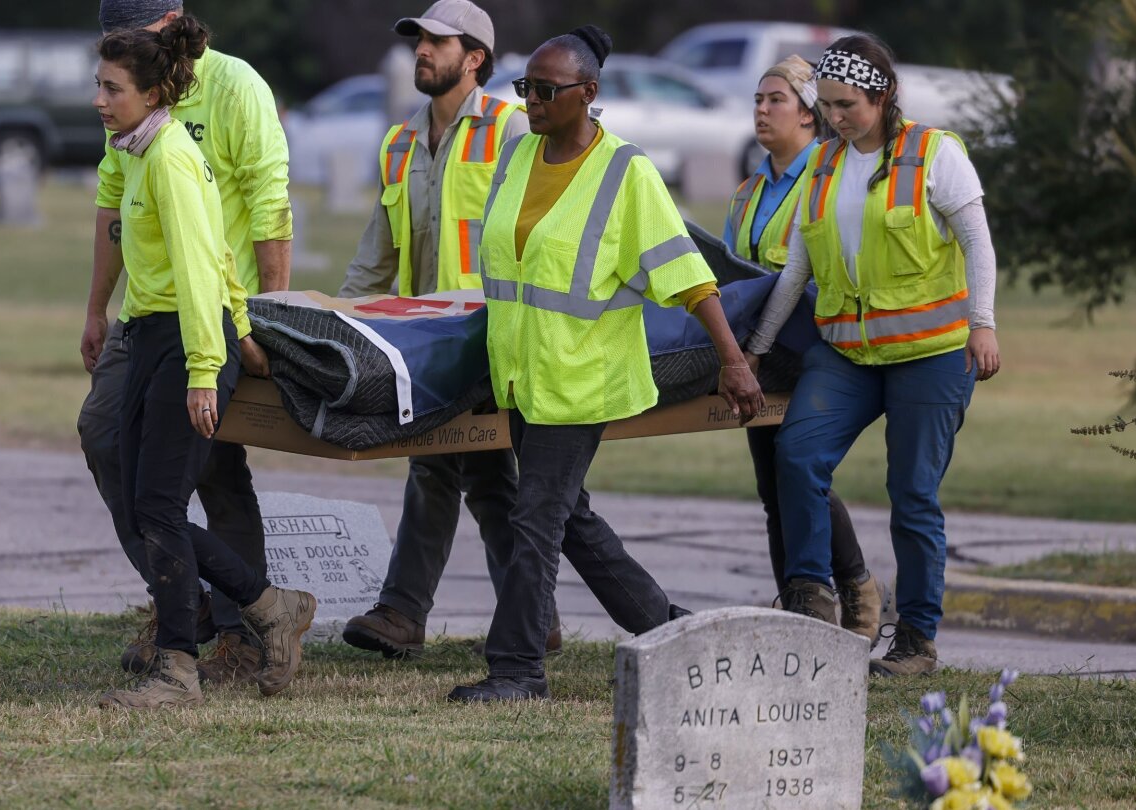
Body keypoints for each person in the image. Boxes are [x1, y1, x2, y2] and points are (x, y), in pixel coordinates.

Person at [447, 25, 765, 703]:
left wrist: (733, 362)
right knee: (570, 518)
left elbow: (686, 274)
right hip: (522, 375)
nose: (529, 101)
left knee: (536, 519)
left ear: (588, 94)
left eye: (545, 90)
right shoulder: (515, 158)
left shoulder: (627, 172)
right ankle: (664, 628)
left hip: (583, 380)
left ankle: (517, 669)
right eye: (524, 87)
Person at [744, 34, 1001, 676]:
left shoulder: (934, 154)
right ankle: (810, 602)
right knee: (796, 454)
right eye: (826, 105)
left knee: (912, 494)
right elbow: (797, 270)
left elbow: (978, 243)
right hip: (847, 354)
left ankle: (915, 641)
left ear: (882, 96)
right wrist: (754, 349)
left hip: (931, 355)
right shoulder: (824, 166)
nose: (835, 117)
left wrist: (983, 325)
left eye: (847, 104)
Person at [90, 18, 316, 709]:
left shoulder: (169, 159)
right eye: (97, 85)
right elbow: (214, 255)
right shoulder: (135, 150)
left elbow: (200, 272)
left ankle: (178, 670)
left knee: (159, 506)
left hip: (185, 344)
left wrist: (205, 367)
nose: (98, 100)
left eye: (110, 88)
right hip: (152, 333)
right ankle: (271, 606)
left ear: (154, 91)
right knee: (145, 503)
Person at [338, 0, 550, 660]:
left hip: (492, 337)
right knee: (480, 478)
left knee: (452, 472)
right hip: (427, 345)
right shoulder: (400, 141)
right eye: (418, 42)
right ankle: (526, 618)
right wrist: (337, 324)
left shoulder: (516, 132)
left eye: (437, 42)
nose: (420, 52)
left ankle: (408, 613)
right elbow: (378, 252)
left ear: (475, 58)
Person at [723, 57, 882, 645]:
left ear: (811, 116)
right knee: (774, 484)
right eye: (758, 99)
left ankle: (853, 589)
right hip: (759, 353)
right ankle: (799, 603)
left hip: (817, 346)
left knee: (798, 471)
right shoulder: (746, 191)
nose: (761, 110)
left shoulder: (833, 177)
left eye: (776, 100)